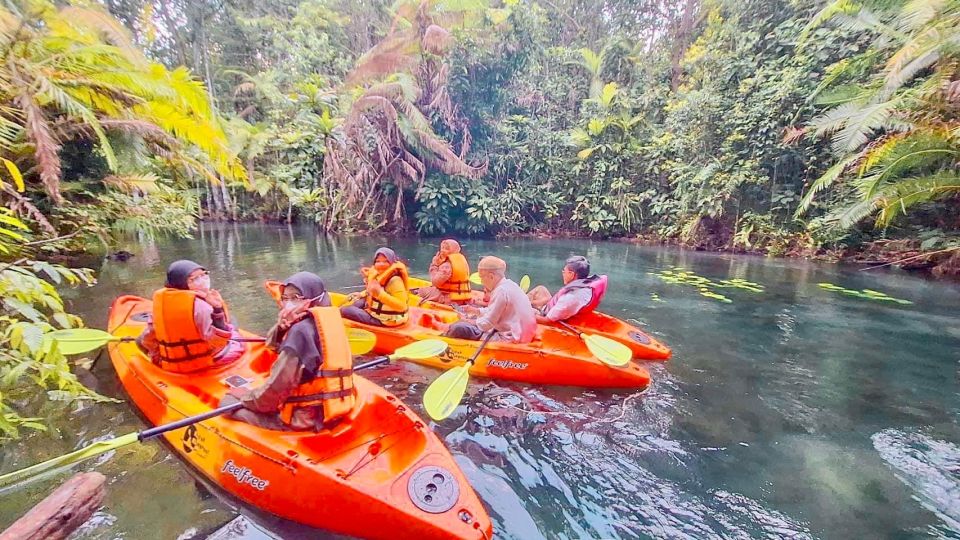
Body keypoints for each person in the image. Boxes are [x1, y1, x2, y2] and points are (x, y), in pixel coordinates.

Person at [220, 272, 354, 431]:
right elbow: (272, 345)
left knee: (226, 404)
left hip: (303, 419)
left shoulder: (300, 332)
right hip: (331, 408)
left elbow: (275, 391)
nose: (289, 303)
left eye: (296, 297)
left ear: (313, 298)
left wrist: (244, 396)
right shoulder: (328, 320)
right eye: (285, 298)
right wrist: (283, 328)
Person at [137, 260, 243, 372]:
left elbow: (149, 339)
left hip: (173, 362)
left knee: (139, 340)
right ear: (182, 283)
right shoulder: (203, 306)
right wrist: (217, 310)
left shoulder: (161, 303)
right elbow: (217, 341)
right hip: (209, 361)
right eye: (193, 279)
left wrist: (158, 355)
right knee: (232, 324)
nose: (202, 281)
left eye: (204, 274)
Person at [441, 256, 536, 343]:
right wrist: (476, 311)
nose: (481, 281)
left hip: (509, 337)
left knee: (459, 328)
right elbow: (496, 310)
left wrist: (467, 321)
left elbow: (488, 323)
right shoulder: (510, 285)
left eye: (482, 277)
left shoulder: (501, 292)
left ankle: (445, 339)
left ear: (491, 276)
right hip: (521, 333)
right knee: (473, 319)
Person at [340, 247, 410, 327]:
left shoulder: (395, 281)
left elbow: (402, 307)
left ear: (392, 263)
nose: (381, 264)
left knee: (344, 310)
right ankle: (363, 310)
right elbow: (372, 291)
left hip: (388, 320)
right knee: (358, 302)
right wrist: (362, 294)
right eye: (378, 261)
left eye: (386, 261)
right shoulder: (379, 274)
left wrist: (380, 294)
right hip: (377, 312)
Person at [527, 256, 608, 323]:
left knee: (518, 310)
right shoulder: (586, 287)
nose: (563, 273)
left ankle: (526, 303)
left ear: (572, 274)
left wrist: (526, 313)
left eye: (564, 271)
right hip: (554, 308)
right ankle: (528, 302)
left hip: (545, 316)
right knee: (541, 289)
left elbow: (547, 320)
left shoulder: (571, 298)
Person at [417, 239, 473, 305]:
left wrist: (434, 265)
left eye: (446, 249)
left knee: (421, 291)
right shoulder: (461, 261)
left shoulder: (446, 266)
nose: (442, 250)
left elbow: (435, 282)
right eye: (442, 248)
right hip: (462, 298)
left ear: (453, 250)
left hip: (447, 298)